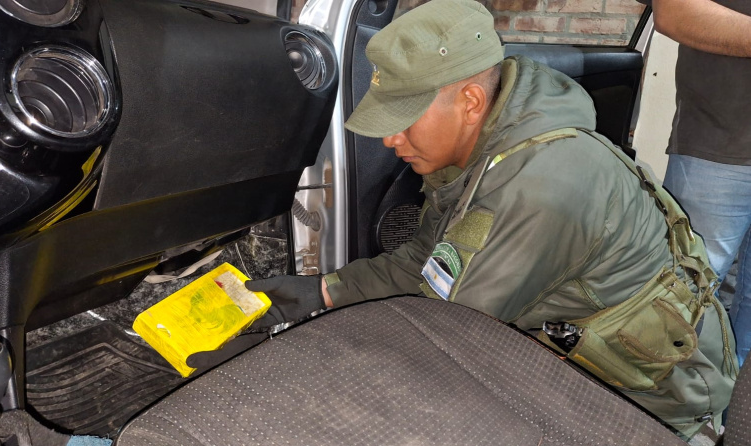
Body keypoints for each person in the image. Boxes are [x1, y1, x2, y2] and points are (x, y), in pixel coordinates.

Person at [189, 0, 737, 438]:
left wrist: (288, 369)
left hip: (648, 405)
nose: (389, 138)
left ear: (471, 101)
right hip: (578, 357)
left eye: (404, 119)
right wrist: (319, 292)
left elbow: (449, 340)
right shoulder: (484, 154)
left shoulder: (538, 183)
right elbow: (425, 268)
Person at [643, 0, 751, 369]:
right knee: (682, 302)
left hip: (720, 143)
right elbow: (676, 11)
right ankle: (663, 419)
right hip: (720, 142)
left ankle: (734, 421)